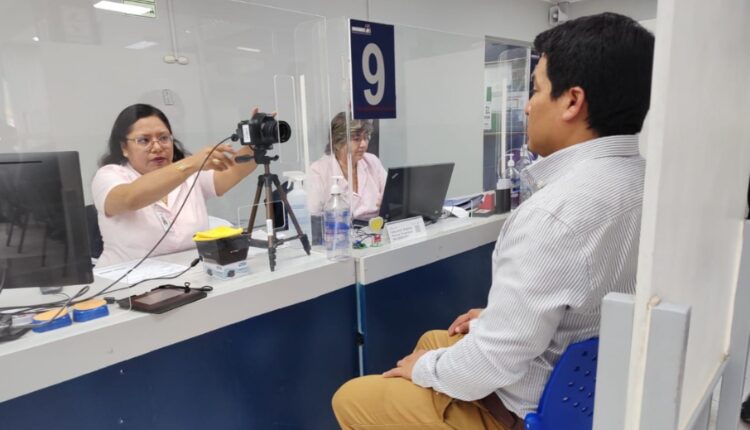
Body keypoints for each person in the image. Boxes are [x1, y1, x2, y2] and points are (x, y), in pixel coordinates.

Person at [332, 12, 654, 430]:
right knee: (435, 339)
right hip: (589, 387)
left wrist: (423, 369)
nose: (527, 106)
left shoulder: (553, 214)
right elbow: (583, 298)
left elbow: (490, 364)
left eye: (535, 90)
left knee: (353, 397)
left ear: (572, 102)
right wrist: (495, 319)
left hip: (533, 408)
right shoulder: (647, 184)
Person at [92, 104, 258, 267]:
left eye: (164, 138)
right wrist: (191, 163)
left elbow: (231, 171)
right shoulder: (108, 175)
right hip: (125, 279)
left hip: (187, 276)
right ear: (124, 147)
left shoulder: (188, 173)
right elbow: (130, 198)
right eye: (144, 140)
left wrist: (256, 144)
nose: (157, 147)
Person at [308, 112, 386, 221]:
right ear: (337, 142)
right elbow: (314, 216)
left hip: (375, 227)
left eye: (366, 137)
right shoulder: (319, 170)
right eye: (356, 139)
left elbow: (388, 199)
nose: (363, 144)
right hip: (339, 229)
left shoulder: (372, 161)